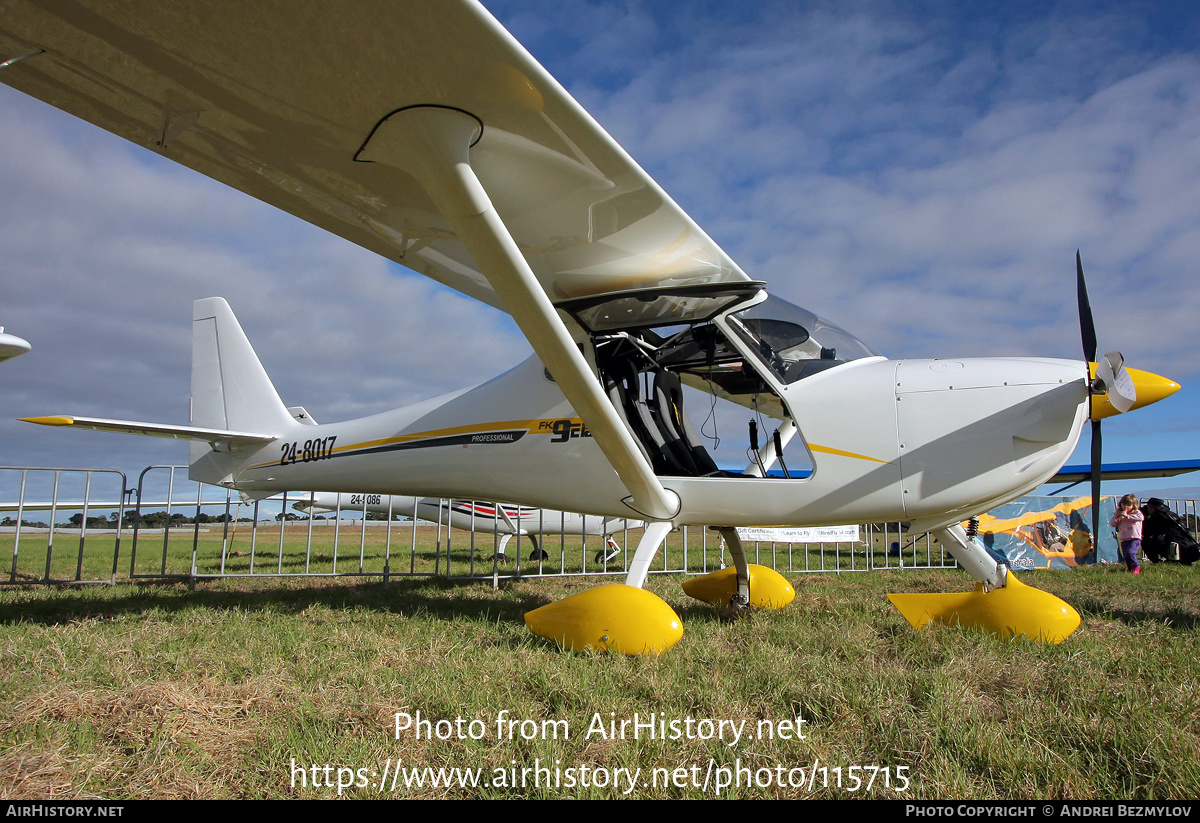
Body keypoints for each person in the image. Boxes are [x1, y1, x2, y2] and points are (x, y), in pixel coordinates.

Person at [1140, 498, 1200, 565]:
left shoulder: (1157, 517)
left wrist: (1145, 520)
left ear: (1153, 508)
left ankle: (1157, 562)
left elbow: (1147, 532)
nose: (1147, 509)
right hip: (1186, 545)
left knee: (1146, 541)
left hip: (1177, 548)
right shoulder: (1171, 514)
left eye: (1148, 508)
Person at [1109, 493, 1144, 574]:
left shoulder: (1136, 513)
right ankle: (1130, 568)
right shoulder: (1119, 513)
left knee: (1130, 552)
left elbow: (1141, 518)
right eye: (1124, 504)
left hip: (1134, 537)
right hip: (1124, 538)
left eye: (1128, 505)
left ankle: (1136, 566)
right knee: (1126, 555)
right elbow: (1112, 523)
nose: (1126, 507)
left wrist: (1127, 516)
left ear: (1133, 505)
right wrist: (1117, 518)